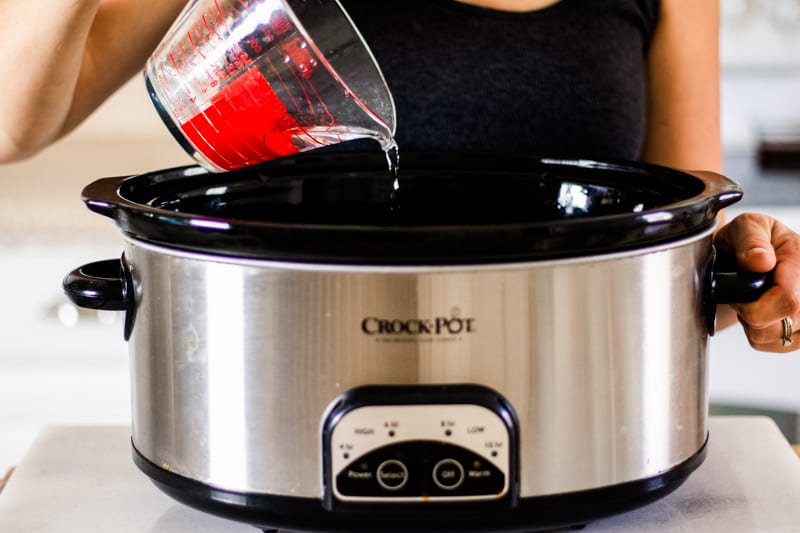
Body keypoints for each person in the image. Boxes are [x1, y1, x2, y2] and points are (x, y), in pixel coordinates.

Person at [0, 0, 798, 352]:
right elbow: (11, 121)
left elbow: (683, 244)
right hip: (276, 401)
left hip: (574, 432)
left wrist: (751, 268)